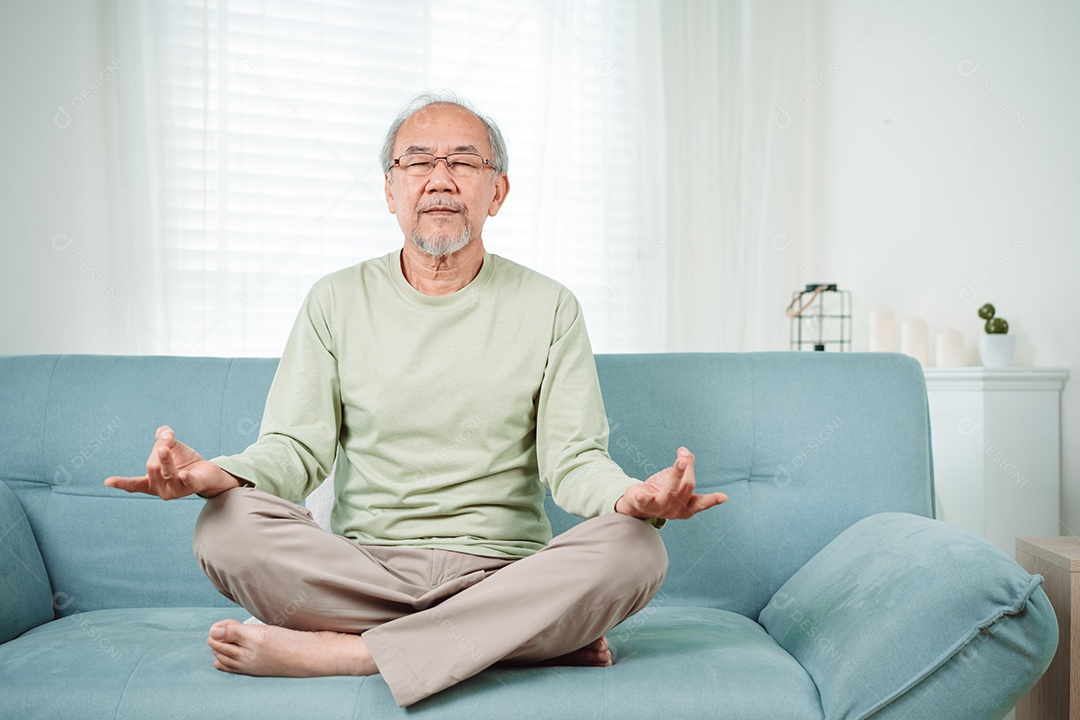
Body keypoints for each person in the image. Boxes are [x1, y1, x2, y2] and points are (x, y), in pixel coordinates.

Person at [105, 92, 727, 707]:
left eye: (463, 162)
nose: (440, 179)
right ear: (390, 190)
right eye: (418, 162)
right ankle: (512, 641)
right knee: (225, 527)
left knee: (635, 547)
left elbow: (572, 460)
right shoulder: (335, 300)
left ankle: (355, 653)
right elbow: (296, 448)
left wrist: (631, 497)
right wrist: (220, 474)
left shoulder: (552, 306)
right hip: (361, 574)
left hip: (503, 575)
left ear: (497, 192)